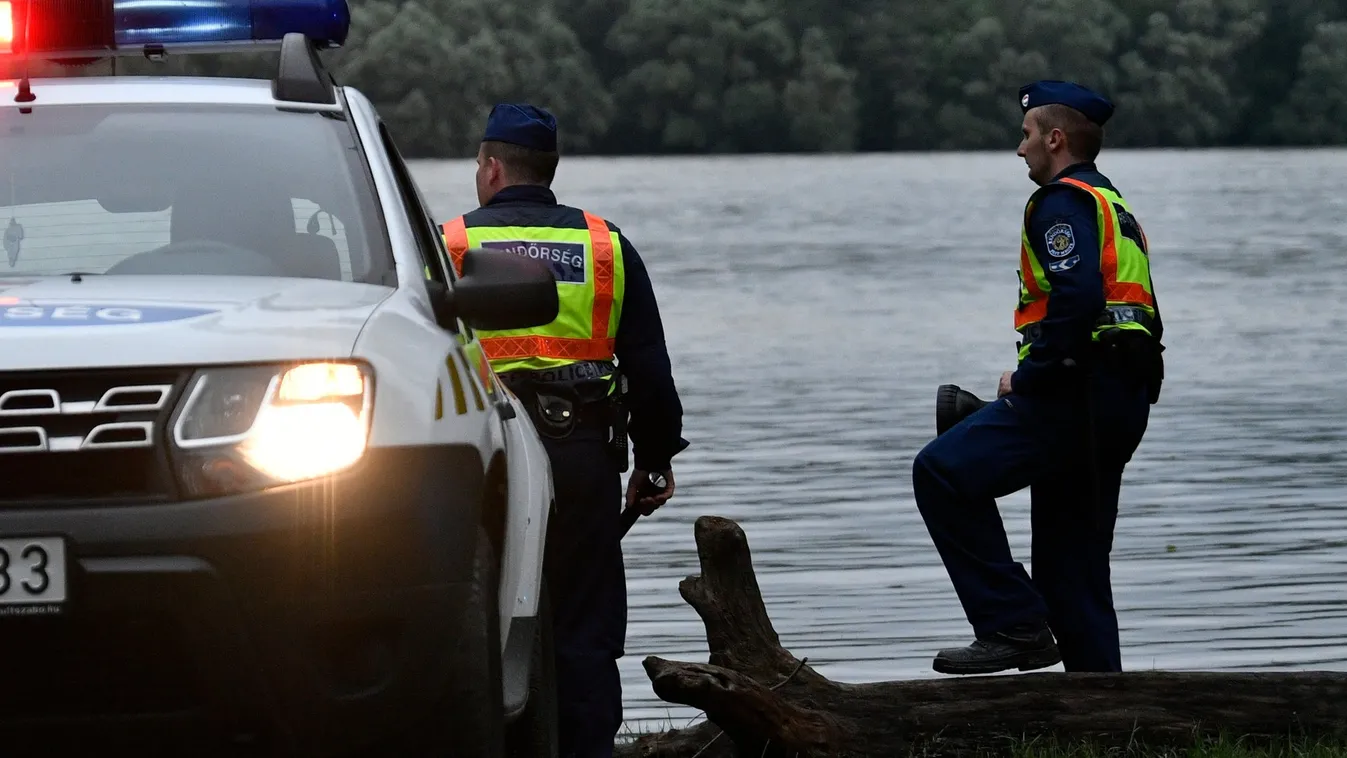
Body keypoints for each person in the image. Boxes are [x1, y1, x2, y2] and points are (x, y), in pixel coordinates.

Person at [440, 103, 688, 757]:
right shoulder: (605, 245)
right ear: (546, 169)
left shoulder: (450, 245)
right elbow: (649, 371)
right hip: (579, 454)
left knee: (473, 615)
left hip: (481, 459)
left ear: (491, 168)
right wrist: (655, 460)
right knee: (583, 621)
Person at [910, 80, 1165, 676]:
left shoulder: (1061, 202)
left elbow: (1076, 300)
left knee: (941, 472)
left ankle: (1012, 625)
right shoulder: (1111, 203)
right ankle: (1102, 719)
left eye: (1026, 135)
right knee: (1073, 572)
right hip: (1120, 399)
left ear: (1054, 139)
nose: (1019, 148)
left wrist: (1030, 381)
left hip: (1076, 396)